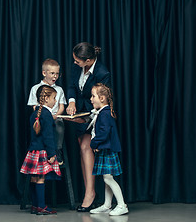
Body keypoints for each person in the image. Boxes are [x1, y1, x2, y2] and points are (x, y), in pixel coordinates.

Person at [66, 42, 111, 212]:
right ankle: (89, 192)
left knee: (86, 148)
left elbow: (102, 102)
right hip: (79, 114)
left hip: (95, 117)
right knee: (83, 150)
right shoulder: (76, 67)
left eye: (78, 61)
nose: (75, 63)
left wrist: (86, 117)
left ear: (89, 60)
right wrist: (71, 102)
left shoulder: (102, 73)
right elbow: (71, 86)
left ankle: (90, 194)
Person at [20, 85, 61, 215]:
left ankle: (35, 205)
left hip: (32, 151)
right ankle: (42, 206)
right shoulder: (47, 114)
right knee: (41, 178)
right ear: (46, 98)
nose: (55, 101)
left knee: (33, 177)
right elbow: (48, 136)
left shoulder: (34, 114)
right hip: (43, 151)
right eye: (54, 98)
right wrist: (52, 153)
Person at [88, 83, 128, 216]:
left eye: (93, 96)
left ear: (102, 98)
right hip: (105, 149)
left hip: (107, 150)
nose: (91, 99)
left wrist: (93, 144)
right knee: (107, 178)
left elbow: (103, 134)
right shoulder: (104, 112)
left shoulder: (104, 114)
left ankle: (122, 205)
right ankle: (107, 204)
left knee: (108, 179)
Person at [27, 58, 67, 165]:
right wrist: (46, 116)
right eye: (52, 73)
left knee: (59, 125)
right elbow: (35, 106)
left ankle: (57, 150)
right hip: (42, 118)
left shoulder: (59, 90)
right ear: (44, 73)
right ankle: (42, 151)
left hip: (55, 118)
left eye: (57, 74)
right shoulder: (36, 88)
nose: (55, 76)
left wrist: (56, 115)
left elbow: (61, 106)